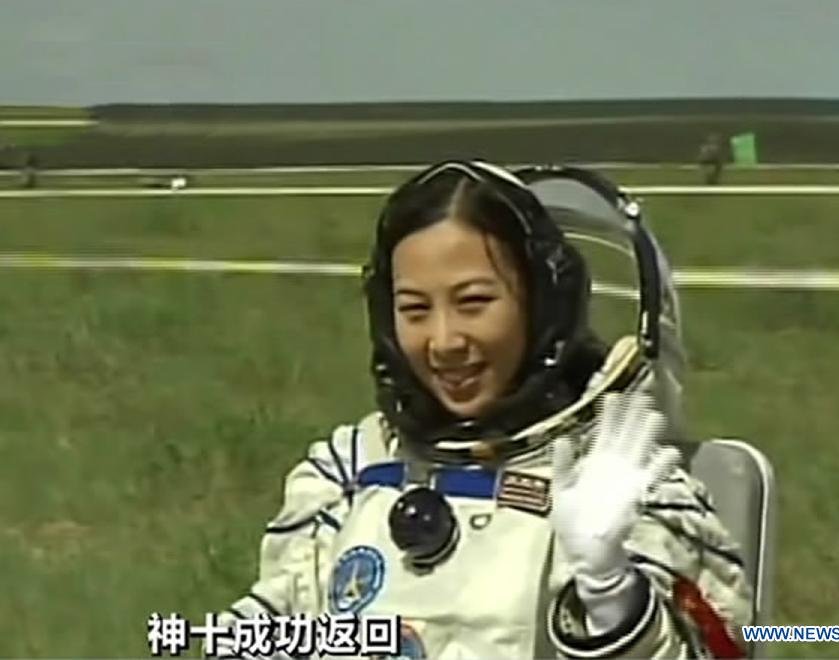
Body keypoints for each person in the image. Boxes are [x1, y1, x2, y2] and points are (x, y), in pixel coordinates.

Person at [217, 160, 752, 658]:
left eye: (474, 302)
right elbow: (278, 614)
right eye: (415, 310)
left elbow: (717, 647)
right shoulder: (350, 470)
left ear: (541, 304)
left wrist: (614, 596)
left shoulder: (620, 478)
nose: (444, 340)